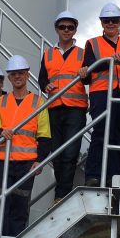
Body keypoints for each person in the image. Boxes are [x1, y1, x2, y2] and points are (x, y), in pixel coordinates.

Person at [0, 55, 51, 238]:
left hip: (26, 163)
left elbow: (45, 136)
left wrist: (40, 160)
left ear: (27, 74)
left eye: (20, 73)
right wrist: (1, 132)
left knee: (19, 204)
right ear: (9, 77)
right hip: (3, 161)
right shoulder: (2, 102)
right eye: (13, 74)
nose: (17, 77)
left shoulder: (38, 102)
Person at [80, 3, 120, 186]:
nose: (111, 23)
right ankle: (93, 175)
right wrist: (111, 62)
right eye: (107, 21)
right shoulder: (92, 43)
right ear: (101, 23)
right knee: (101, 133)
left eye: (114, 20)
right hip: (101, 93)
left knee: (119, 136)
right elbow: (90, 65)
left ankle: (114, 177)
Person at [38, 10, 87, 202]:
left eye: (70, 27)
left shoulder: (83, 53)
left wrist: (86, 73)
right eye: (62, 27)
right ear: (56, 29)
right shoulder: (48, 54)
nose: (66, 30)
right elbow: (42, 78)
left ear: (75, 30)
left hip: (76, 107)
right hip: (54, 107)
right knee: (57, 153)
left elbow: (91, 76)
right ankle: (62, 192)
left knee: (70, 152)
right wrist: (45, 85)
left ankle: (61, 195)